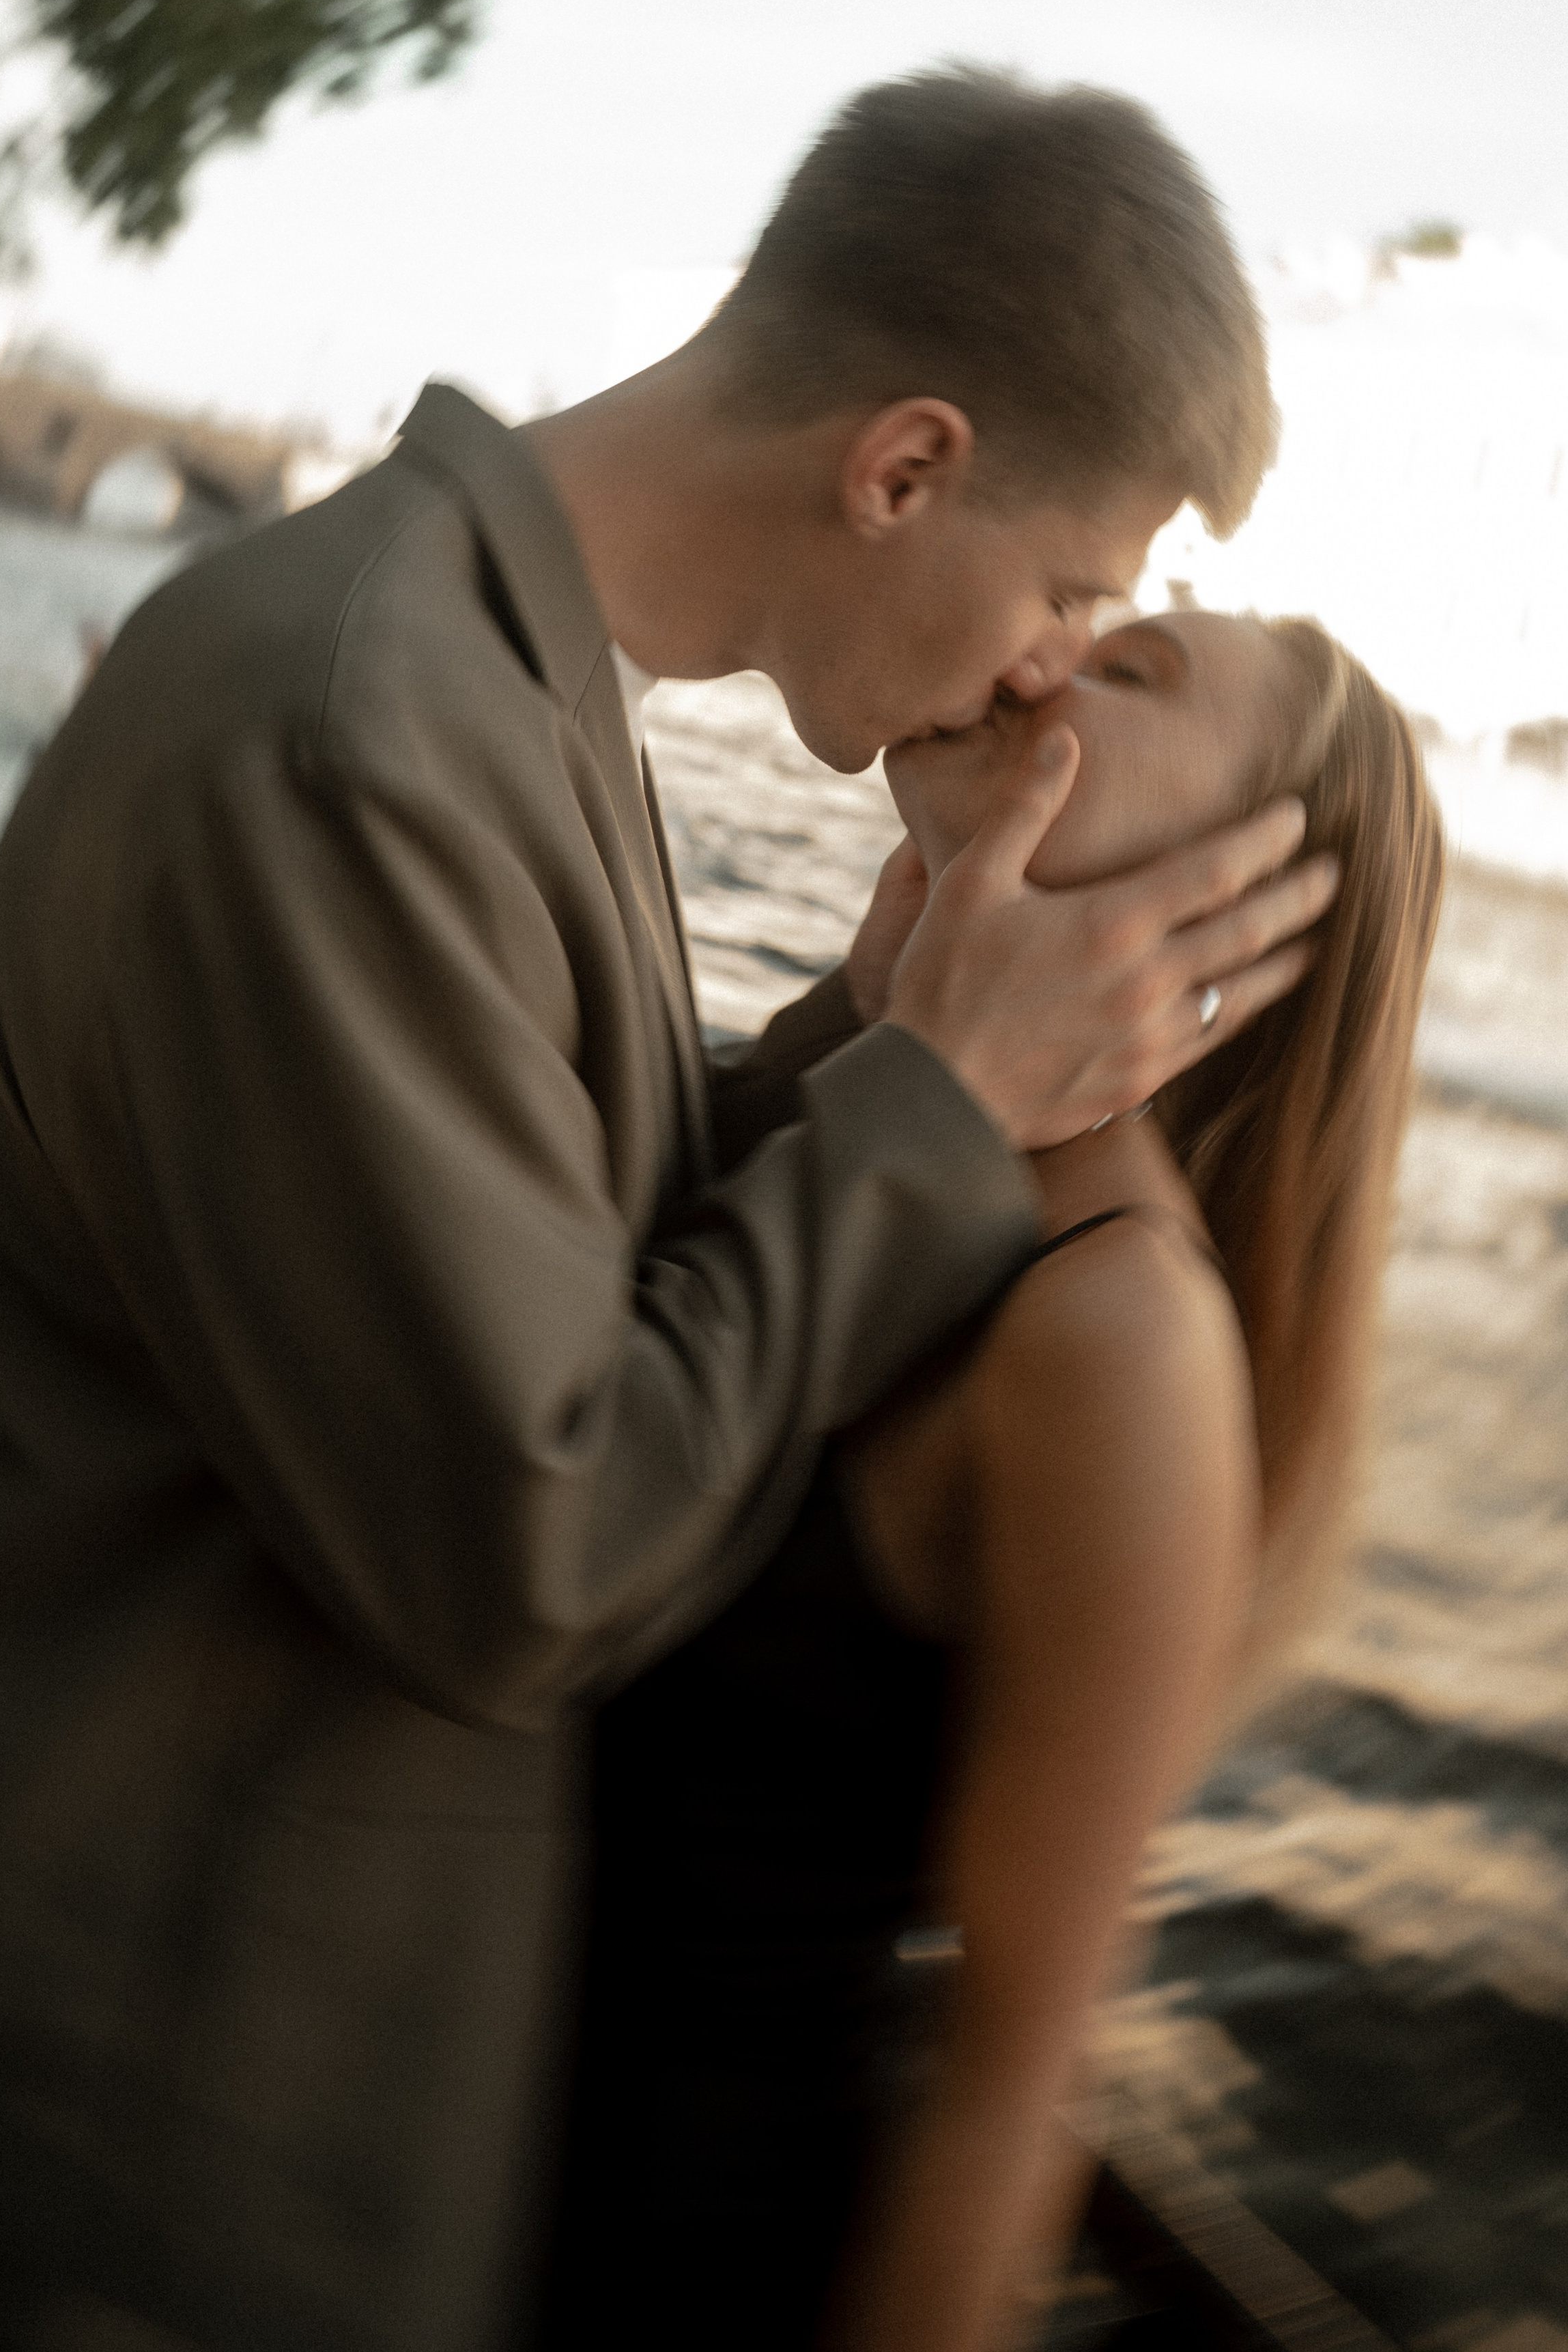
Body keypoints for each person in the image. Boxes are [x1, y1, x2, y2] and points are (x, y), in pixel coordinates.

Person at [0, 68, 1335, 2352]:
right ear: (903, 463)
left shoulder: (493, 687)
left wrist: (890, 1029)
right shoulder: (364, 736)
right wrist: (936, 1090)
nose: (1042, 662)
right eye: (1069, 586)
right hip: (134, 2182)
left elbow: (560, 1214)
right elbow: (525, 1554)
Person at [545, 607, 1442, 2352]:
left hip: (672, 2262)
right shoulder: (862, 1076)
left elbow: (1007, 2083)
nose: (1041, 657)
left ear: (1247, 889)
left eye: (1132, 673)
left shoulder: (1112, 1334)